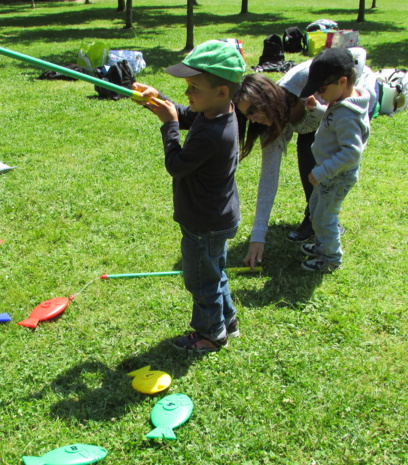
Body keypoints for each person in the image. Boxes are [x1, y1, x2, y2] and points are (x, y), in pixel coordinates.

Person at [132, 40, 246, 353]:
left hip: (203, 222)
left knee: (201, 281)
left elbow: (177, 165)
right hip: (217, 216)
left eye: (193, 87)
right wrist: (157, 100)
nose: (187, 94)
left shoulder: (212, 133)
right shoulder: (217, 113)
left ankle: (211, 334)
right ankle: (227, 321)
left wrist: (168, 126)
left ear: (221, 91)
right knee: (216, 272)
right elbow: (185, 113)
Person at [233, 48, 377, 271]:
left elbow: (354, 55)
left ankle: (328, 245)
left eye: (254, 110)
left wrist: (358, 96)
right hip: (319, 130)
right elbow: (268, 180)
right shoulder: (270, 127)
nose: (254, 119)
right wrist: (257, 237)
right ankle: (318, 229)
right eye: (247, 115)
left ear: (270, 97)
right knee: (314, 184)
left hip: (335, 126)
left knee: (325, 195)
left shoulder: (306, 81)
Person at [298, 47, 371, 272]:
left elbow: (351, 153)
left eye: (321, 89)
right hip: (328, 174)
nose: (319, 94)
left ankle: (330, 258)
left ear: (342, 81)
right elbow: (332, 123)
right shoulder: (340, 102)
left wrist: (322, 171)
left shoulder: (348, 113)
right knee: (316, 209)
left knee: (324, 218)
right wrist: (319, 109)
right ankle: (322, 245)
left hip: (336, 176)